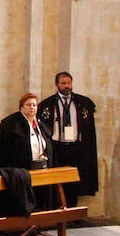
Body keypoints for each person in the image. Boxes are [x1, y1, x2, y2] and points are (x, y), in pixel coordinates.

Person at [38, 72, 98, 206]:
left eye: (69, 83)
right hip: (57, 148)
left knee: (74, 180)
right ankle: (56, 209)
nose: (67, 86)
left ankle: (72, 210)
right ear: (56, 85)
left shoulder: (82, 103)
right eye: (63, 83)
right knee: (57, 180)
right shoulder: (47, 104)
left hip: (75, 147)